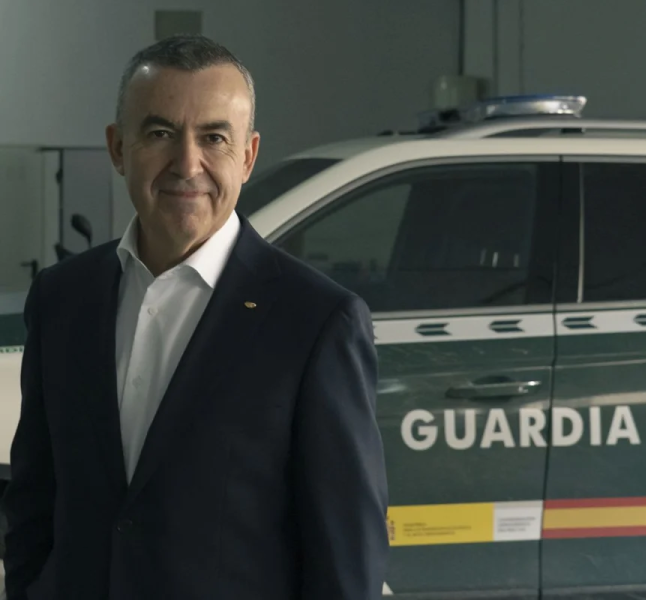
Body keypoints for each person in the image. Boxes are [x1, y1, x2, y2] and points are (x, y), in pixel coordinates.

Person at [1, 34, 389, 599]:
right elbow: (35, 496)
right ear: (117, 148)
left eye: (214, 137)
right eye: (160, 133)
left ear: (249, 155)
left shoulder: (316, 322)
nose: (188, 163)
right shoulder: (63, 298)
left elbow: (345, 558)